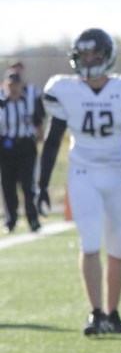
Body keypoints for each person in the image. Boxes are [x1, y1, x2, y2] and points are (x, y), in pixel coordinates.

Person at [36, 28, 121, 336]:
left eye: (94, 55)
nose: (88, 61)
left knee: (118, 247)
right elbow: (52, 141)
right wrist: (42, 184)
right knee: (89, 243)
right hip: (83, 174)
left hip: (116, 173)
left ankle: (113, 314)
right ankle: (95, 313)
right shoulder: (65, 90)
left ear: (107, 56)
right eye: (83, 55)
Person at [0, 69, 44, 233]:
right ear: (6, 86)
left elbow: (38, 121)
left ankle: (32, 219)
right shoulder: (1, 102)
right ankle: (10, 220)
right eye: (10, 85)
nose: (13, 88)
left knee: (28, 185)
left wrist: (40, 136)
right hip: (6, 147)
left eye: (16, 85)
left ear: (20, 85)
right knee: (8, 185)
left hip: (26, 146)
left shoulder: (30, 99)